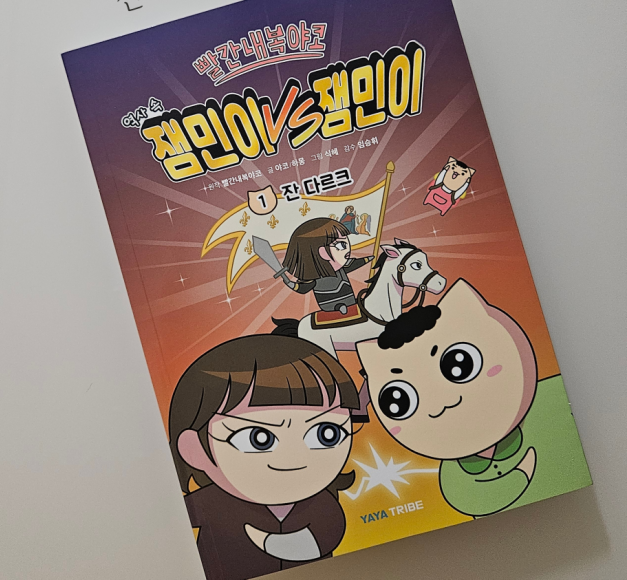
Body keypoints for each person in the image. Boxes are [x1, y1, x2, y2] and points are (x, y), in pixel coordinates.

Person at [356, 280, 591, 517]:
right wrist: (522, 474)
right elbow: (467, 501)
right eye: (399, 401)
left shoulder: (551, 402)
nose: (439, 404)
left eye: (459, 364)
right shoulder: (452, 474)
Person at [169, 332, 359, 580]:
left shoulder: (321, 503)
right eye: (258, 438)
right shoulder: (208, 503)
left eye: (327, 433)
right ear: (194, 450)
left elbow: (327, 534)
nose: (293, 459)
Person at [280, 217, 372, 315]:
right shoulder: (315, 276)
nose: (348, 250)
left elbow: (353, 264)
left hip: (350, 299)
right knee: (341, 307)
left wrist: (369, 259)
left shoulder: (341, 269)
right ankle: (339, 307)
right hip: (330, 304)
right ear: (323, 252)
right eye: (341, 245)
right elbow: (303, 288)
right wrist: (290, 283)